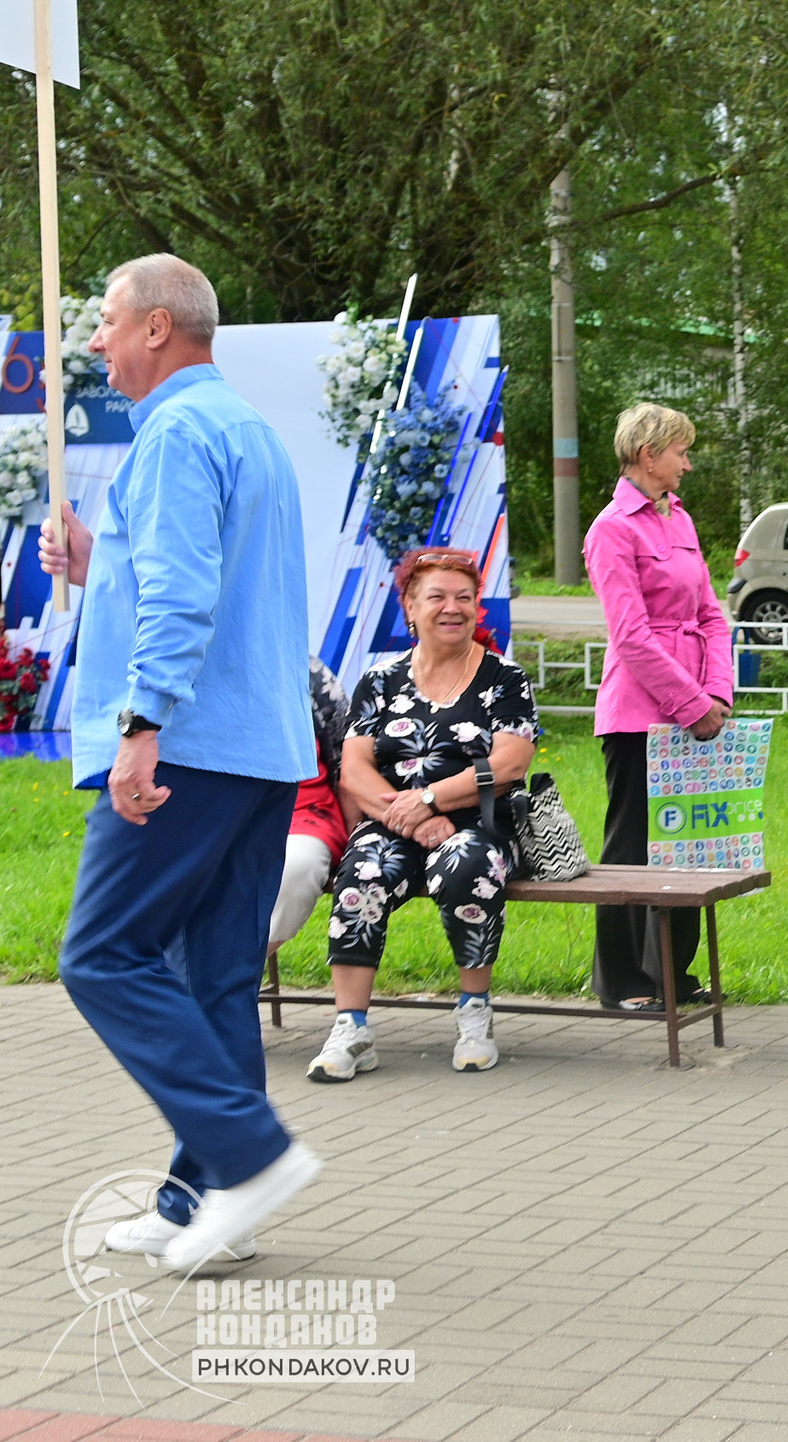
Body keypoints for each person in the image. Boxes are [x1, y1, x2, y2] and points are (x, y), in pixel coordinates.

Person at [44, 252, 324, 1270]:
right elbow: (207, 578)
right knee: (210, 981)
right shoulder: (244, 429)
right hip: (259, 748)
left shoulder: (171, 432)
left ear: (158, 328)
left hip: (189, 746)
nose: (96, 340)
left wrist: (140, 724)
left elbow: (184, 599)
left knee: (102, 955)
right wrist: (92, 561)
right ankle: (199, 1201)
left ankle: (248, 1158)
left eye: (108, 321)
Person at [305, 550, 541, 1080]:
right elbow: (355, 770)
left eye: (464, 597)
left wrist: (431, 800)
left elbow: (510, 762)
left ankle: (474, 1013)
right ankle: (352, 1027)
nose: (452, 608)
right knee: (362, 873)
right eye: (436, 597)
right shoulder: (380, 680)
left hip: (481, 822)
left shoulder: (504, 678)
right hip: (394, 820)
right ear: (410, 606)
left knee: (465, 865)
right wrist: (408, 815)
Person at [583, 402, 734, 1010]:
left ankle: (673, 974)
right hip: (639, 713)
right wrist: (689, 701)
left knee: (685, 847)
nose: (688, 464)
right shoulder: (611, 529)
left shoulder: (681, 521)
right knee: (632, 848)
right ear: (649, 455)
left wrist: (717, 694)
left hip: (698, 710)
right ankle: (624, 981)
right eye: (680, 452)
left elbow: (711, 614)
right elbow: (631, 635)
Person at [268, 660, 354, 961]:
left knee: (298, 864)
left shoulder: (304, 668)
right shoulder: (179, 660)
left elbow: (348, 756)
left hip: (306, 809)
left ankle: (230, 970)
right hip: (216, 810)